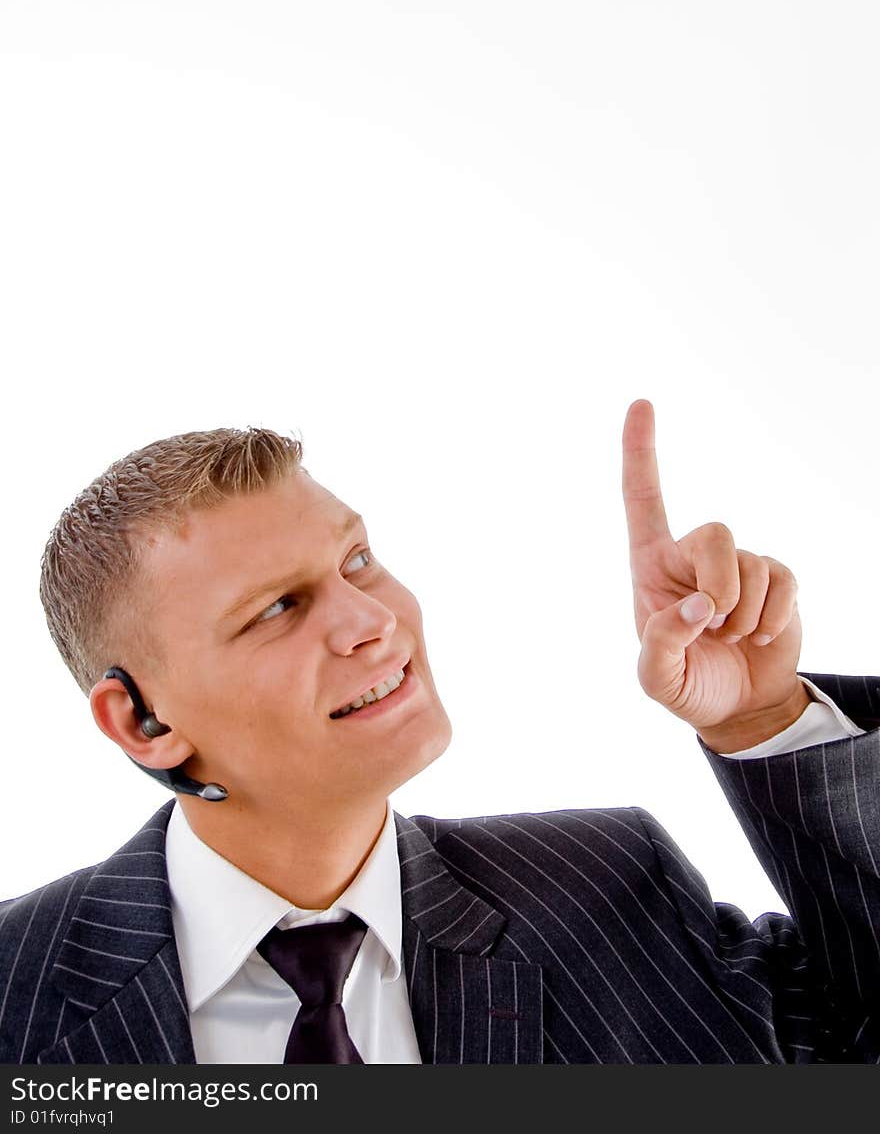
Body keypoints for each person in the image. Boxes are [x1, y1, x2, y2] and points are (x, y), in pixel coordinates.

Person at [1, 400, 878, 1064]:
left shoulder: (607, 890)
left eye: (356, 561)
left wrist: (767, 721)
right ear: (144, 722)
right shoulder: (17, 983)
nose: (372, 619)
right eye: (278, 607)